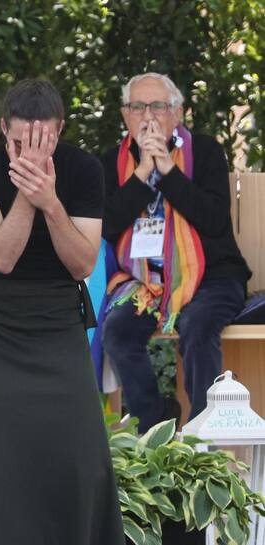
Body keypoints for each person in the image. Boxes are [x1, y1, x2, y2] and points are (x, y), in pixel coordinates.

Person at [0, 79, 124, 544]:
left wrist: (51, 202)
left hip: (59, 325)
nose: (30, 154)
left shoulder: (83, 169)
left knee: (78, 461)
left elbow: (84, 262)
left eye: (43, 143)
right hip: (1, 328)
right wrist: (29, 193)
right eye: (21, 143)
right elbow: (1, 258)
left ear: (60, 130)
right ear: (4, 128)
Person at [99, 73, 250, 433]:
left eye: (158, 106)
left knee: (198, 326)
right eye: (137, 107)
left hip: (211, 276)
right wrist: (143, 174)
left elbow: (213, 221)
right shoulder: (111, 163)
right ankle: (154, 427)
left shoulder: (206, 152)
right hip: (142, 282)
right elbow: (106, 225)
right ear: (125, 115)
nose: (147, 116)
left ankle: (202, 436)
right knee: (118, 332)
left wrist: (166, 170)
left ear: (177, 113)